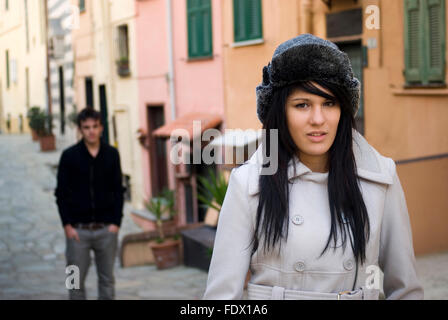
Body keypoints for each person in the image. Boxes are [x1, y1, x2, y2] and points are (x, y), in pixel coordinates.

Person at [203, 34, 423, 300]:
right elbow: (222, 297)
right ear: (280, 112)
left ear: (343, 109)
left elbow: (406, 289)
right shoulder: (249, 183)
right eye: (302, 105)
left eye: (329, 103)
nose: (318, 119)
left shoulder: (381, 177)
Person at [55, 107, 124, 300]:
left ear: (102, 127)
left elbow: (118, 190)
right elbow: (61, 194)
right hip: (78, 231)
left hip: (106, 230)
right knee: (74, 282)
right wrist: (67, 226)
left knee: (107, 281)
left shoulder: (112, 154)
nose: (91, 131)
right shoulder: (69, 156)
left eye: (95, 126)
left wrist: (116, 224)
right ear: (80, 129)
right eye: (86, 127)